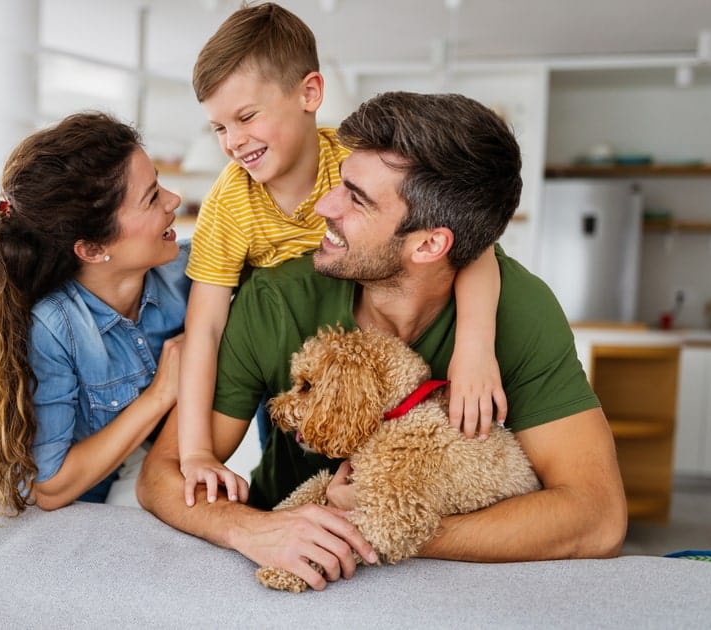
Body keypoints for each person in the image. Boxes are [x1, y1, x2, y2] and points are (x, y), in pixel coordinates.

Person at [137, 91, 628, 590]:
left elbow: (597, 517)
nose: (324, 207)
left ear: (430, 243)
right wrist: (254, 529)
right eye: (340, 183)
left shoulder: (518, 311)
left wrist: (381, 527)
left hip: (451, 588)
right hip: (288, 570)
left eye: (357, 199)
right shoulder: (277, 301)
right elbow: (162, 476)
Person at [177, 1, 506, 508]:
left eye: (246, 117)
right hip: (294, 371)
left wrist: (475, 351)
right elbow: (205, 326)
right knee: (295, 455)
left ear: (310, 92)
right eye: (218, 128)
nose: (233, 142)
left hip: (380, 364)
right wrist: (197, 451)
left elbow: (472, 248)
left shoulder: (359, 165)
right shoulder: (229, 203)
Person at [0, 112, 189, 515]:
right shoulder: (54, 327)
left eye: (159, 184)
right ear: (92, 249)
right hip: (84, 513)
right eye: (152, 197)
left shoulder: (189, 270)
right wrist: (162, 393)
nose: (173, 200)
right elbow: (51, 486)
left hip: (158, 475)